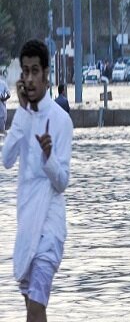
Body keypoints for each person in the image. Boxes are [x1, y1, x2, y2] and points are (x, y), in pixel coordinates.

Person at [2, 39, 73, 321]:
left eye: (35, 71)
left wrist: (48, 157)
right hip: (26, 224)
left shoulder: (60, 120)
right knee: (33, 309)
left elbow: (63, 181)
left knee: (35, 307)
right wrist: (22, 113)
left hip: (50, 227)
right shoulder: (22, 116)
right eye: (25, 72)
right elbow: (6, 159)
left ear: (46, 74)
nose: (30, 79)